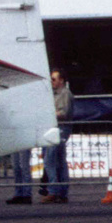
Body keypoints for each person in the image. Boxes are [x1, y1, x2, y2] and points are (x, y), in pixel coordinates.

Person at [43, 70, 71, 203]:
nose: (51, 82)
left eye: (54, 79)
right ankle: (62, 192)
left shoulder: (65, 93)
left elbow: (64, 112)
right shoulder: (53, 94)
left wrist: (49, 113)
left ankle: (54, 190)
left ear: (61, 80)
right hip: (57, 128)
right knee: (59, 161)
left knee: (50, 160)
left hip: (60, 129)